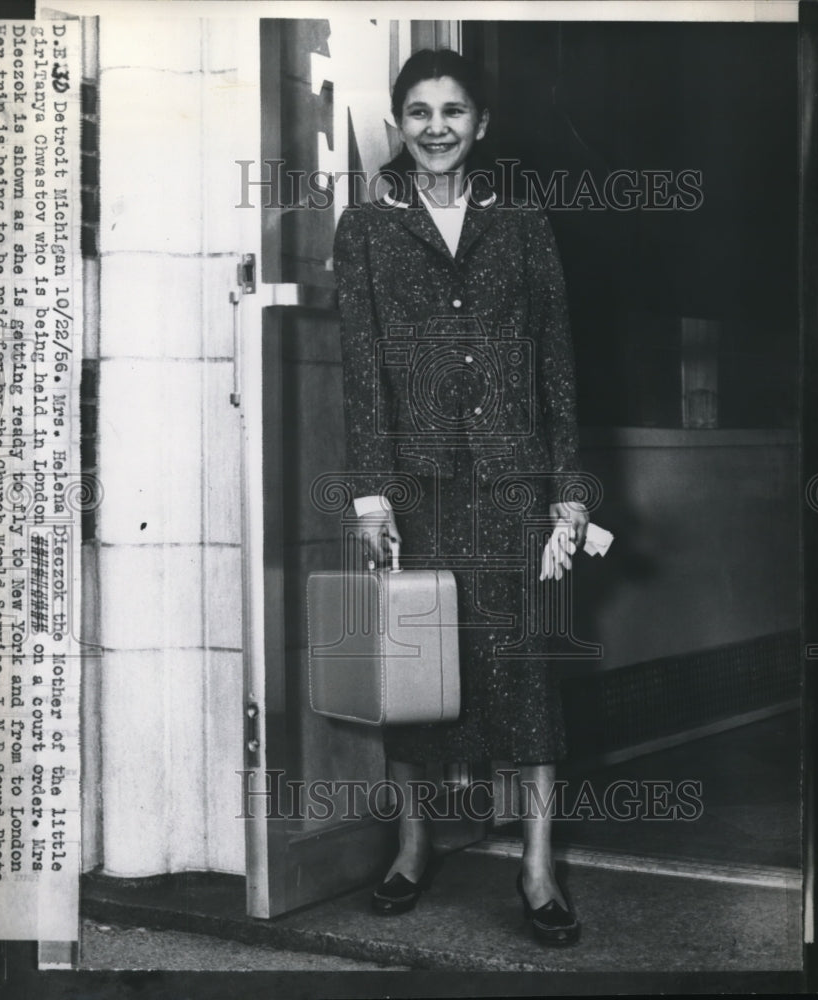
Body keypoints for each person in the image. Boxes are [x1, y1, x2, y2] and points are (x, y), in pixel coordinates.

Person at [332, 48, 589, 947]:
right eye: (417, 112)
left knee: (527, 678)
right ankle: (412, 847)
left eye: (452, 111)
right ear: (399, 125)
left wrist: (568, 494)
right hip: (420, 489)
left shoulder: (520, 219)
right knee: (415, 676)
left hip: (516, 486)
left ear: (481, 124)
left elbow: (557, 359)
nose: (435, 127)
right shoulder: (366, 227)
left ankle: (537, 866)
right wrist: (371, 499)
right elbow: (361, 371)